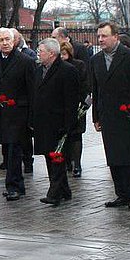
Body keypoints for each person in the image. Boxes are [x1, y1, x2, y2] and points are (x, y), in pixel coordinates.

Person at [90, 21, 130, 211]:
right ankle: (121, 194)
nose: (101, 39)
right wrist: (96, 117)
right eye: (99, 36)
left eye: (104, 36)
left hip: (128, 115)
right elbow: (96, 91)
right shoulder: (96, 60)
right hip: (108, 116)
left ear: (115, 37)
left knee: (129, 156)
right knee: (113, 156)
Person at [0, 27, 36, 200]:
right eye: (1, 40)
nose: (5, 43)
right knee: (7, 150)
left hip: (19, 113)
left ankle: (14, 186)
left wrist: (32, 117)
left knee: (15, 150)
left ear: (14, 41)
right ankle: (14, 185)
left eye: (7, 39)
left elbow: (32, 90)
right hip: (2, 114)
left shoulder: (25, 61)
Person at [32, 37, 81, 205]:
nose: (38, 54)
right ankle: (64, 190)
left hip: (59, 123)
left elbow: (71, 100)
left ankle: (54, 193)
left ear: (51, 53)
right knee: (49, 156)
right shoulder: (39, 70)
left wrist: (68, 125)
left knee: (57, 158)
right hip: (43, 122)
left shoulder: (67, 70)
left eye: (41, 51)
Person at [59, 40, 88, 178]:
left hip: (77, 105)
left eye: (64, 54)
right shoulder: (57, 66)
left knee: (76, 135)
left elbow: (84, 85)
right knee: (63, 134)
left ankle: (77, 164)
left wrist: (81, 103)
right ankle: (66, 162)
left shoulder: (79, 65)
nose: (62, 57)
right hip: (61, 106)